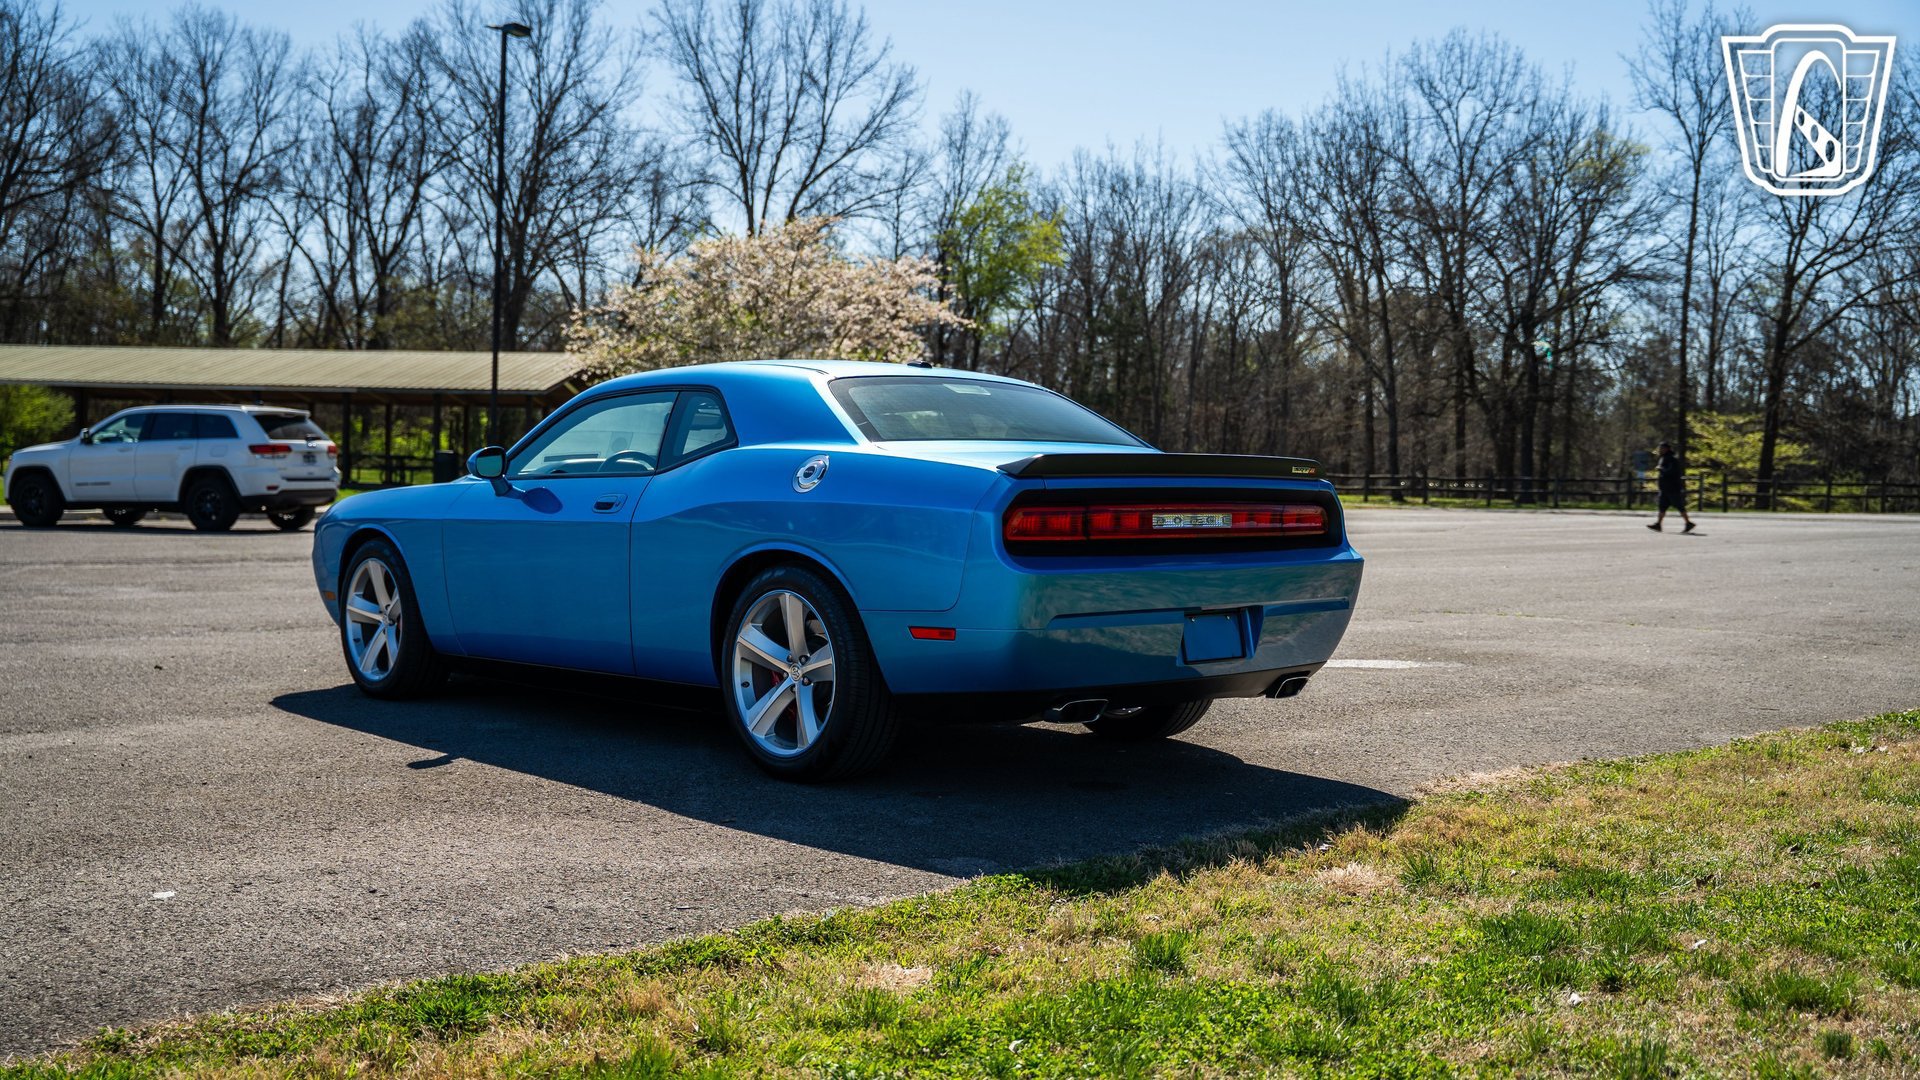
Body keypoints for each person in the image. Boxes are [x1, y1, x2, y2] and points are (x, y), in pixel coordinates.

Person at [1647, 441, 1695, 533]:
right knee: (1662, 507)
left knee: (1679, 506)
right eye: (1659, 448)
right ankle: (1658, 524)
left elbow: (1671, 472)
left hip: (1672, 488)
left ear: (1667, 449)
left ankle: (1688, 523)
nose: (1660, 450)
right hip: (1664, 488)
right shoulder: (1663, 458)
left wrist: (1661, 469)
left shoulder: (1672, 460)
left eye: (1661, 448)